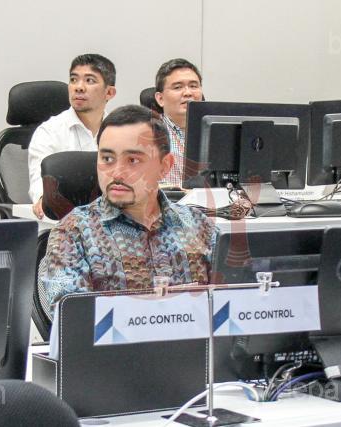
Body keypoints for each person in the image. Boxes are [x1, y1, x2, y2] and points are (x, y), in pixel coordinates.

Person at [37, 105, 218, 311]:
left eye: (133, 160)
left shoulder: (199, 225)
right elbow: (72, 317)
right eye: (107, 159)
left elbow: (235, 304)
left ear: (165, 166)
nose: (117, 173)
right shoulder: (73, 232)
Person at [27, 53, 117, 219]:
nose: (79, 87)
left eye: (89, 80)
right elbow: (39, 179)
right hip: (63, 222)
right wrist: (42, 199)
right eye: (74, 80)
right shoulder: (49, 131)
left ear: (109, 92)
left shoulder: (120, 131)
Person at [153, 58, 204, 188]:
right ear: (160, 99)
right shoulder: (149, 133)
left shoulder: (215, 134)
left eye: (193, 86)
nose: (188, 93)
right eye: (178, 87)